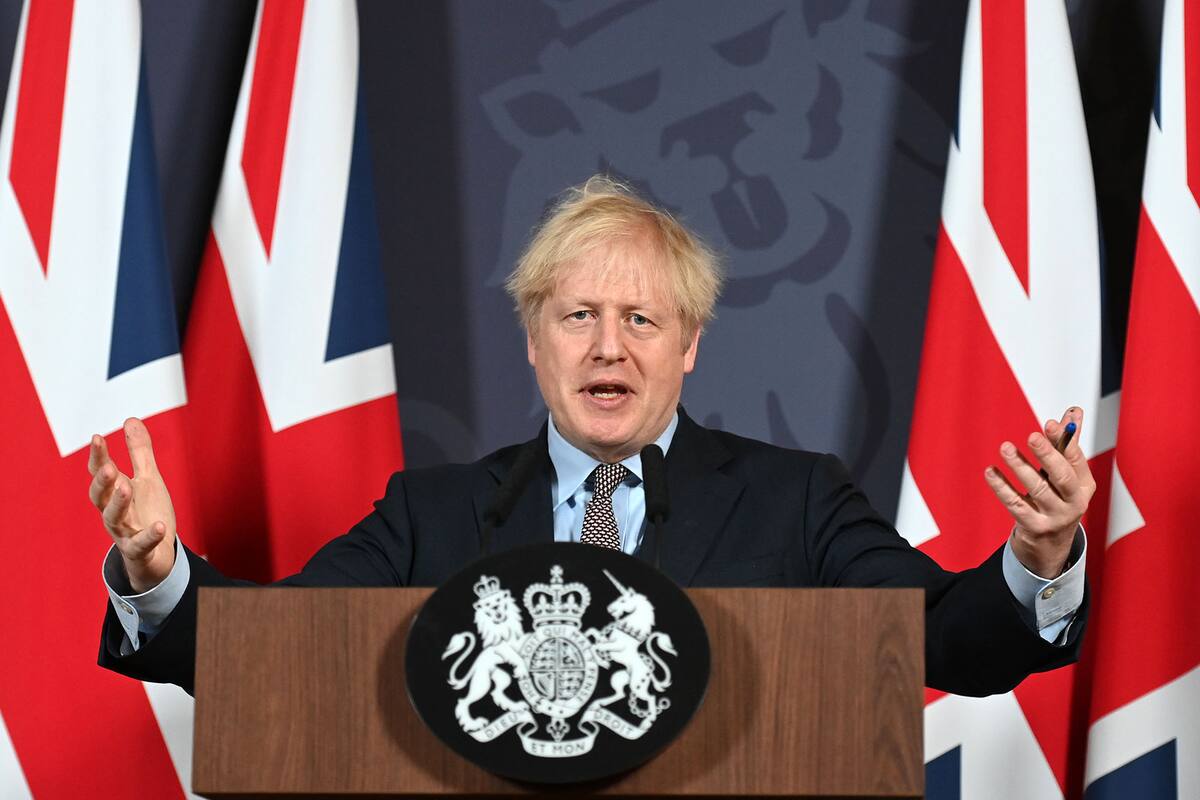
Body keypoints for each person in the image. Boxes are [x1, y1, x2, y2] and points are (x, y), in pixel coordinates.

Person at [90, 176, 1093, 697]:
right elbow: (278, 653)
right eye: (578, 317)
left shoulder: (797, 502)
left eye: (641, 319)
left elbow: (945, 638)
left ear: (689, 345)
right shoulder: (432, 515)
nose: (608, 345)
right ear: (535, 342)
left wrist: (1038, 556)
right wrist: (159, 568)